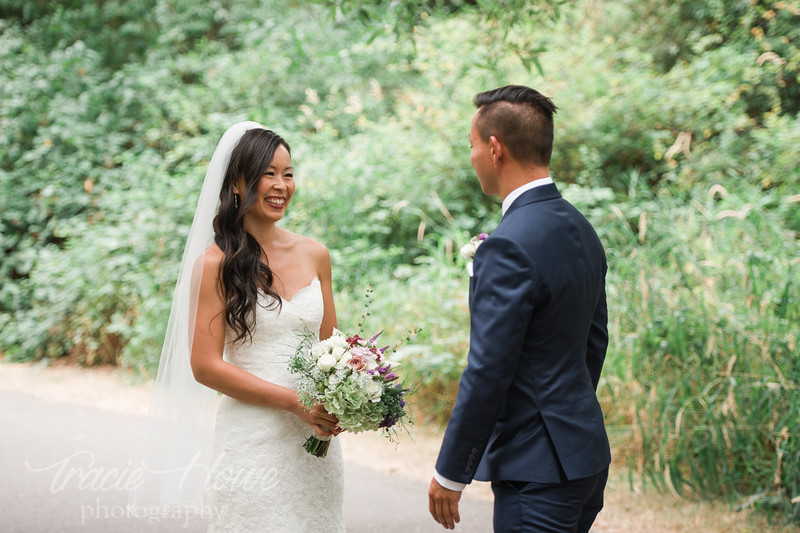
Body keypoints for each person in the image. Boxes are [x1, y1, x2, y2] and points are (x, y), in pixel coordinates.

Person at [129, 122, 345, 532]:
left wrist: (349, 396)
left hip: (313, 445)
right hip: (252, 440)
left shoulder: (316, 255)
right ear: (237, 184)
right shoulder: (215, 263)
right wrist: (293, 402)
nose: (281, 185)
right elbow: (205, 366)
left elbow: (332, 350)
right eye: (268, 174)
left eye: (288, 173)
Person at [428, 86, 611, 532]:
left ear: (495, 148)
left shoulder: (509, 244)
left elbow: (489, 368)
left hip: (537, 473)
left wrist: (450, 471)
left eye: (471, 145)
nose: (470, 157)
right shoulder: (580, 227)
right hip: (583, 457)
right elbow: (594, 340)